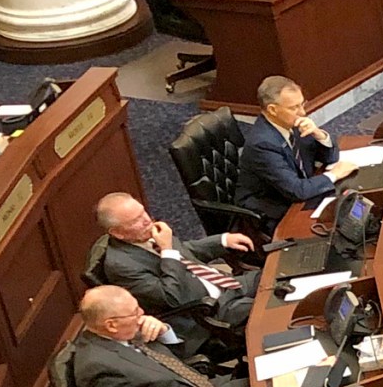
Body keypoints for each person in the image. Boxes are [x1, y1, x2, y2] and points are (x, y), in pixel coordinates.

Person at [67, 285, 252, 387]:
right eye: (134, 313)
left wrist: (165, 333)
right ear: (111, 324)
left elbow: (177, 362)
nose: (142, 315)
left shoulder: (123, 333)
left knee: (266, 386)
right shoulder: (99, 367)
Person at [93, 191, 258, 335]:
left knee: (276, 276)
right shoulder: (121, 266)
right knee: (270, 307)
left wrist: (223, 240)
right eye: (135, 221)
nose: (146, 221)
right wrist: (167, 250)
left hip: (227, 284)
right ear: (117, 233)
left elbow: (186, 251)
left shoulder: (146, 233)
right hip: (208, 310)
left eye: (143, 212)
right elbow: (171, 297)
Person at [238, 76, 358, 228]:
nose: (302, 112)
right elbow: (297, 191)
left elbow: (330, 158)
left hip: (298, 192)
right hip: (272, 209)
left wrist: (318, 134)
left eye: (302, 104)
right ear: (273, 110)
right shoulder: (262, 144)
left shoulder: (292, 123)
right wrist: (335, 174)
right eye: (294, 107)